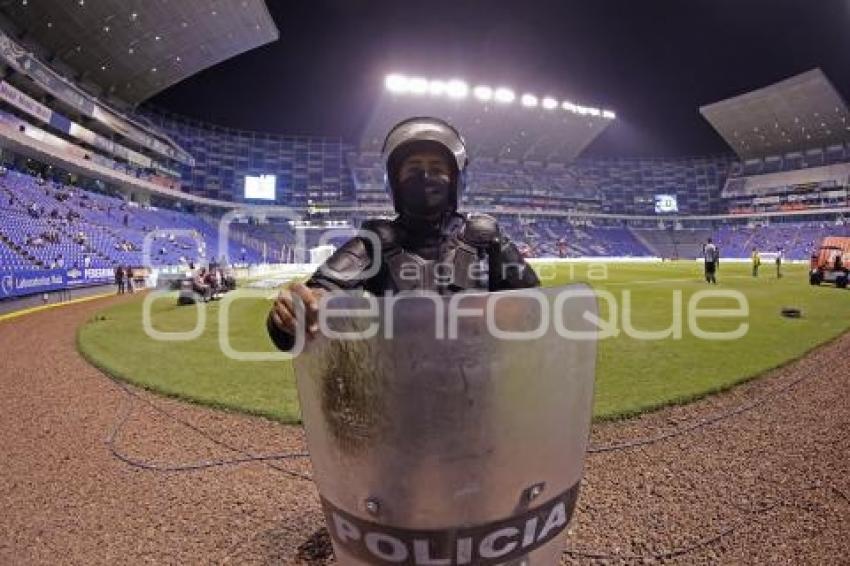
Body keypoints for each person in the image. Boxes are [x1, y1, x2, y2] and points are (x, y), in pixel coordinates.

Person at [267, 116, 540, 350]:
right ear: (394, 182)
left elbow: (539, 310)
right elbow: (319, 293)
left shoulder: (485, 237)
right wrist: (294, 312)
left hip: (478, 393)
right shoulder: (376, 243)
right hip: (398, 394)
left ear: (456, 180)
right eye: (413, 169)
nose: (425, 177)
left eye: (436, 169)